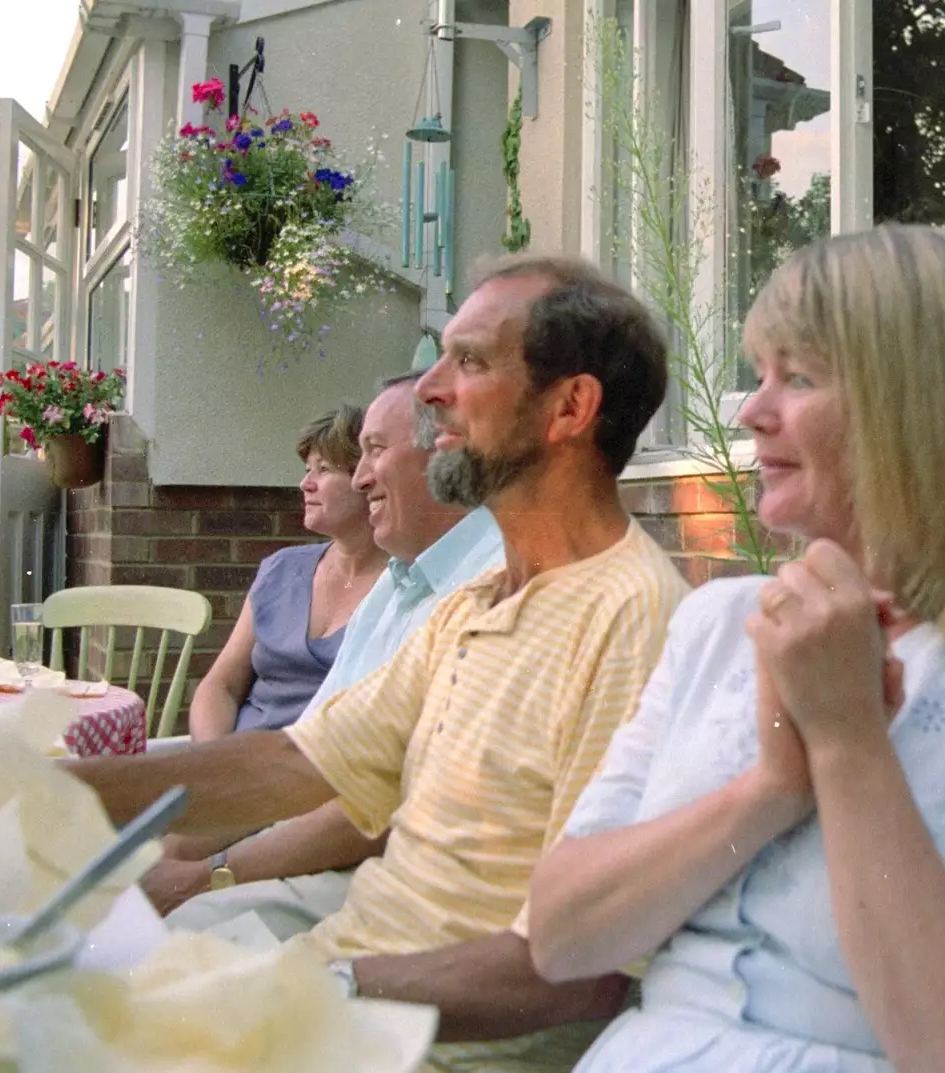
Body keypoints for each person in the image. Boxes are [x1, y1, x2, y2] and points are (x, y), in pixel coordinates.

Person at [526, 225, 945, 1073]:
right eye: (761, 374)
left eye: (798, 377)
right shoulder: (718, 623)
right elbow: (563, 936)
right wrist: (770, 789)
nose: (751, 410)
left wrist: (847, 740)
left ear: (923, 411)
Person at [67, 254, 691, 1072]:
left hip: (426, 1043)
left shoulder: (632, 619)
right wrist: (44, 789)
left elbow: (582, 969)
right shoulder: (476, 601)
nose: (431, 389)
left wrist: (309, 991)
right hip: (340, 990)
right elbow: (295, 762)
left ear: (570, 406)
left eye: (468, 361)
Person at [142, 372, 504, 931]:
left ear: (447, 455)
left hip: (388, 872)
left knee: (161, 939)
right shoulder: (403, 582)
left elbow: (380, 810)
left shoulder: (489, 585)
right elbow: (303, 753)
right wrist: (188, 822)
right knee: (104, 888)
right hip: (291, 819)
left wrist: (209, 872)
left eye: (372, 453)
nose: (359, 480)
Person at [187, 404, 384, 741]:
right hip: (235, 760)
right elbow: (220, 685)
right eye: (308, 469)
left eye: (324, 469)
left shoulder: (405, 586)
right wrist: (213, 761)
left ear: (366, 479)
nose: (305, 484)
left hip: (321, 780)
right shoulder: (281, 569)